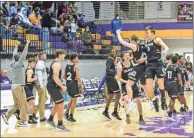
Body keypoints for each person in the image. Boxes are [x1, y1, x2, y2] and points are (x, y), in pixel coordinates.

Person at [2, 40, 30, 127]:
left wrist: (16, 46)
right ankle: (23, 121)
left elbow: (14, 53)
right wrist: (27, 45)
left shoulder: (12, 62)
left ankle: (7, 116)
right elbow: (24, 54)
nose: (19, 55)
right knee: (23, 105)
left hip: (13, 87)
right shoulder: (19, 63)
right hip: (18, 87)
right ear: (18, 58)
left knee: (16, 104)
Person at [144, 26, 169, 112]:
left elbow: (166, 47)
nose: (146, 34)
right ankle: (154, 100)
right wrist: (142, 60)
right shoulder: (146, 41)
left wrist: (165, 51)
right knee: (148, 86)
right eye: (145, 32)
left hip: (158, 64)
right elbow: (147, 55)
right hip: (149, 64)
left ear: (152, 33)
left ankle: (163, 100)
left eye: (147, 32)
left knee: (161, 84)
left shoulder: (157, 39)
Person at [117, 51, 145, 124]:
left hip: (134, 85)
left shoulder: (133, 64)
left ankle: (141, 117)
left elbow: (137, 74)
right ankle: (128, 116)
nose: (127, 56)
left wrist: (138, 82)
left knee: (138, 101)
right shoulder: (120, 66)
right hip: (125, 85)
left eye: (128, 55)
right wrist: (128, 82)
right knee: (127, 100)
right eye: (125, 55)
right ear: (123, 57)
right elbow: (119, 78)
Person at [116, 31, 147, 95]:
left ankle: (130, 101)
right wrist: (144, 59)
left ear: (131, 40)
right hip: (146, 66)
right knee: (143, 85)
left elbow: (122, 41)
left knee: (128, 85)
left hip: (139, 67)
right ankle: (152, 99)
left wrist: (118, 33)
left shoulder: (134, 46)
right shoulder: (143, 46)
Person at [46, 49, 70, 131]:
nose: (65, 56)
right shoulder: (56, 64)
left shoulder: (56, 63)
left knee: (57, 103)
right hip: (53, 86)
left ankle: (50, 119)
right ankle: (60, 124)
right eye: (64, 54)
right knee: (60, 104)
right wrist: (63, 87)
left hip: (53, 85)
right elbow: (55, 78)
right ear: (60, 55)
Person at [102, 48, 122, 120]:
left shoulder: (112, 59)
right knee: (118, 94)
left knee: (111, 95)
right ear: (109, 53)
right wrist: (115, 72)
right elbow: (107, 69)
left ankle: (106, 111)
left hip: (109, 78)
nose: (114, 53)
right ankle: (115, 112)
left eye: (115, 51)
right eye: (112, 51)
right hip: (111, 78)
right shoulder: (110, 59)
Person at [64, 54, 83, 122]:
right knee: (74, 101)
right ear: (73, 59)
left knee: (72, 99)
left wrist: (69, 82)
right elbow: (77, 77)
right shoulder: (75, 66)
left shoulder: (67, 66)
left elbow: (64, 77)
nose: (78, 59)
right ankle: (71, 116)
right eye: (77, 58)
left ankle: (66, 112)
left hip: (68, 84)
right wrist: (81, 85)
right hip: (73, 84)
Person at [165, 55, 182, 121]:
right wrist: (180, 85)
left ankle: (168, 110)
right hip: (173, 84)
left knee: (171, 98)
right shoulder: (177, 67)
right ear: (177, 61)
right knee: (173, 100)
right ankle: (170, 115)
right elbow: (179, 78)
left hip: (167, 83)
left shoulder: (168, 66)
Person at [33, 52, 48, 122]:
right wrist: (42, 85)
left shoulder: (41, 64)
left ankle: (33, 113)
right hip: (40, 84)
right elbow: (39, 75)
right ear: (41, 57)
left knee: (45, 98)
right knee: (42, 100)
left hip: (42, 84)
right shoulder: (39, 64)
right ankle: (42, 117)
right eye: (45, 56)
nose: (46, 57)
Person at [24, 58, 38, 124]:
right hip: (27, 87)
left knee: (27, 103)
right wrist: (35, 78)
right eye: (33, 63)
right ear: (29, 63)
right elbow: (28, 80)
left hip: (28, 88)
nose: (34, 64)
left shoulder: (30, 69)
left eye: (35, 63)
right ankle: (30, 118)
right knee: (32, 102)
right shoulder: (30, 70)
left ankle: (18, 111)